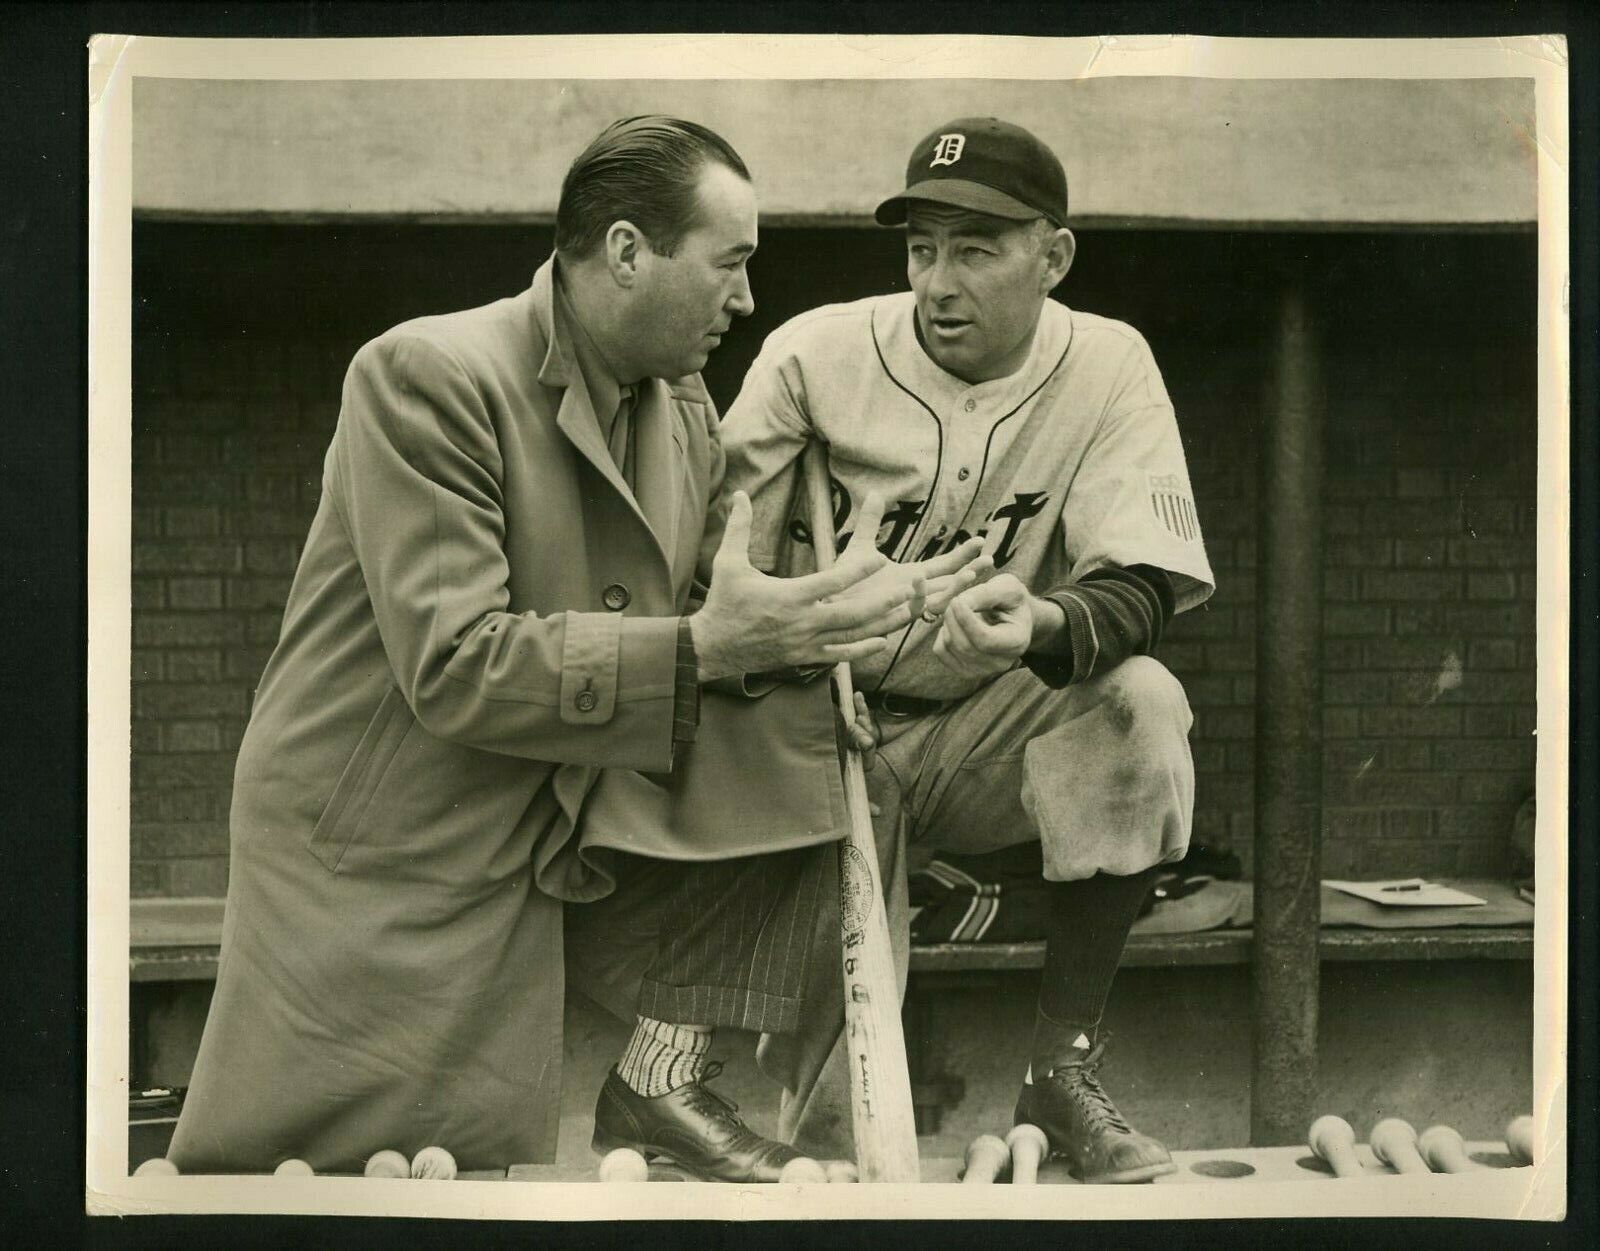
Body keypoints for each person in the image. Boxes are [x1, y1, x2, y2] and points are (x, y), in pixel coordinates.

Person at [166, 115, 981, 1182]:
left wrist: (823, 625)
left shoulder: (683, 410)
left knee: (817, 741)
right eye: (729, 265)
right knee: (334, 1193)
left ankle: (660, 1080)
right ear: (628, 252)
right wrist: (712, 644)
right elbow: (458, 666)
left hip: (557, 806)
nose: (745, 302)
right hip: (399, 839)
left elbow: (698, 615)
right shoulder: (425, 374)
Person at [723, 117, 1216, 1183]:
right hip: (824, 727)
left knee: (1139, 703)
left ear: (1054, 255)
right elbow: (707, 574)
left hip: (983, 722)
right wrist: (792, 669)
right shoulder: (814, 354)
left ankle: (1060, 1069)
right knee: (838, 1125)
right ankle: (808, 1142)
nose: (937, 282)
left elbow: (1143, 583)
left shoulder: (1108, 364)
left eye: (976, 249)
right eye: (921, 248)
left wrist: (1041, 622)